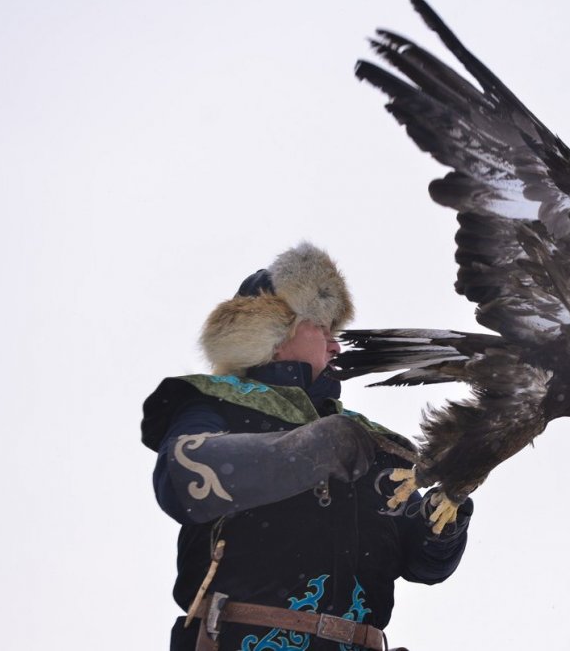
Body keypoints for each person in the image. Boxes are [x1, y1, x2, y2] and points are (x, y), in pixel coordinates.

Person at [141, 242, 472, 651]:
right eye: (322, 328)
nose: (336, 345)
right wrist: (309, 451)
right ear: (275, 334)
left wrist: (444, 515)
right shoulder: (216, 406)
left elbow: (425, 565)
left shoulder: (368, 441)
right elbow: (181, 477)